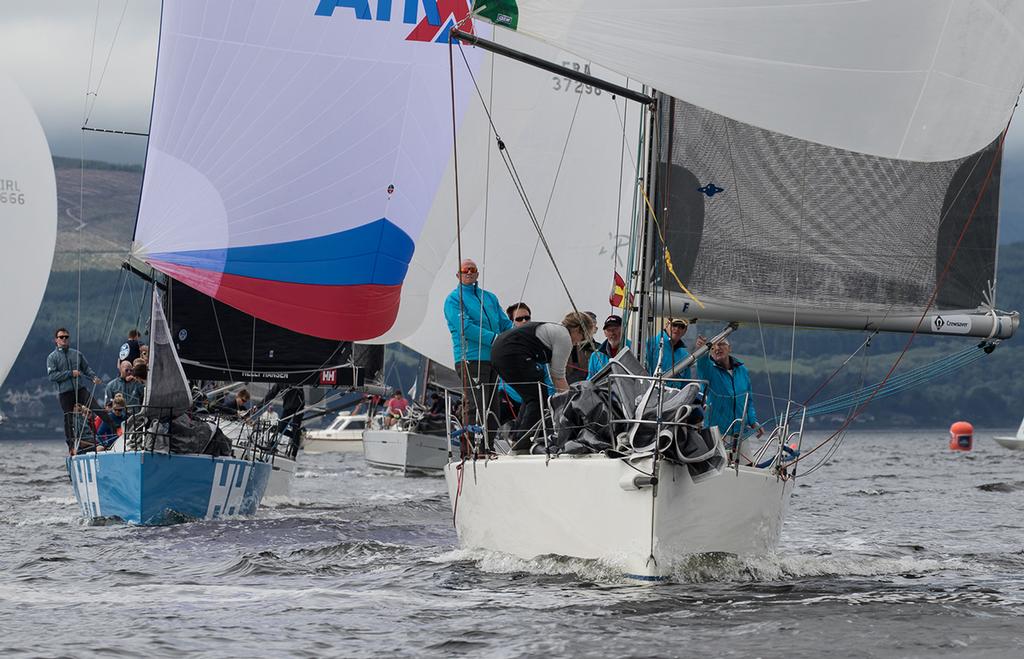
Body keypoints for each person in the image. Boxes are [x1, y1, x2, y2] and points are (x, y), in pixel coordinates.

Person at [490, 311, 596, 451]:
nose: (579, 343)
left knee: (531, 396)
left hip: (499, 353)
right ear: (577, 330)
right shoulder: (564, 337)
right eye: (582, 337)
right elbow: (558, 376)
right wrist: (570, 405)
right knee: (538, 397)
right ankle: (521, 443)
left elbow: (552, 377)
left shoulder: (554, 330)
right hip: (513, 354)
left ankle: (517, 437)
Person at [443, 258, 513, 431]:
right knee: (477, 406)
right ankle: (475, 448)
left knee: (493, 407)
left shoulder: (489, 297)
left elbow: (505, 323)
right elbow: (465, 327)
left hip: (493, 359)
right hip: (471, 359)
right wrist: (495, 339)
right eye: (465, 270)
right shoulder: (453, 299)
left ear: (477, 273)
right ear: (458, 275)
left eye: (472, 269)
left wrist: (515, 338)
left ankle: (489, 448)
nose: (469, 272)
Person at [694, 335, 763, 440]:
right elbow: (702, 363)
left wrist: (753, 421)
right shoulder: (709, 370)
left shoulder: (742, 370)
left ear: (729, 348)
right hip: (717, 433)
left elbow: (748, 400)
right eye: (713, 347)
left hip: (740, 433)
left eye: (721, 344)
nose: (717, 348)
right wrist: (701, 350)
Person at [46, 327, 103, 453]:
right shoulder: (52, 357)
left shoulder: (76, 354)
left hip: (79, 389)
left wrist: (93, 377)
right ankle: (71, 446)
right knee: (68, 419)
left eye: (66, 337)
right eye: (61, 337)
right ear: (56, 340)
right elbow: (52, 376)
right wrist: (70, 373)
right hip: (65, 393)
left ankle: (112, 431)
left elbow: (86, 368)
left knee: (96, 408)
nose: (64, 339)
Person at [260, 383, 305, 458]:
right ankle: (271, 446)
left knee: (295, 429)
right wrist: (258, 406)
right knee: (280, 428)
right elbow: (271, 395)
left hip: (298, 407)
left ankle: (293, 454)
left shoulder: (297, 379)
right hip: (287, 407)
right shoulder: (279, 383)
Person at [645, 318, 692, 386]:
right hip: (649, 394)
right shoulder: (650, 344)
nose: (677, 329)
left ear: (685, 330)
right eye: (674, 325)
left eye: (681, 326)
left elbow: (686, 385)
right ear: (667, 325)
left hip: (674, 396)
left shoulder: (685, 356)